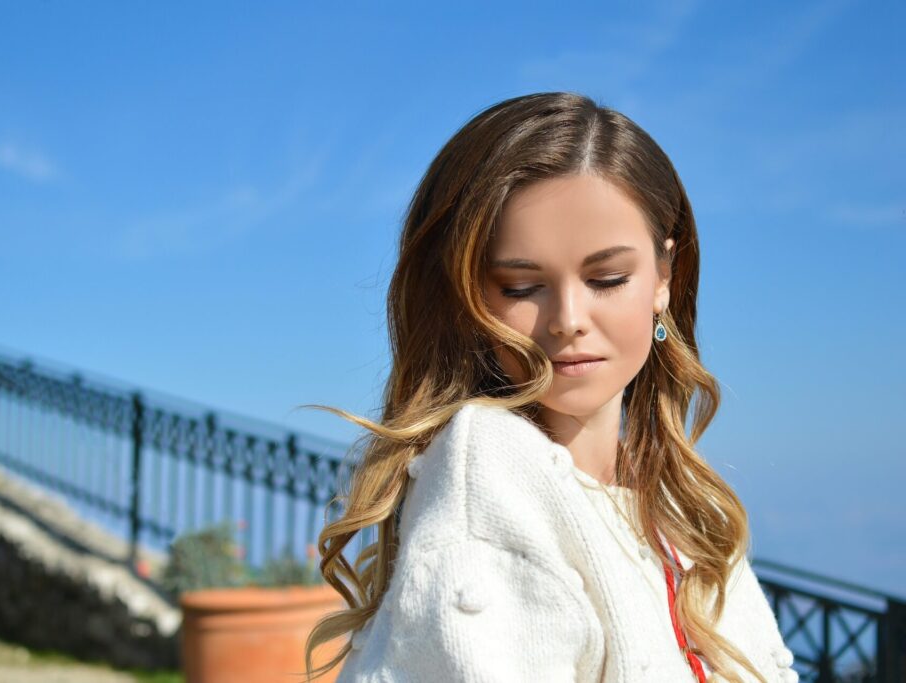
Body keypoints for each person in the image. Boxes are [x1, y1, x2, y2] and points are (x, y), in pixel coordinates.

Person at [300, 92, 798, 682]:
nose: (567, 318)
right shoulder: (485, 471)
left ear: (665, 276)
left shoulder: (683, 510)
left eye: (606, 278)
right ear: (467, 299)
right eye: (519, 286)